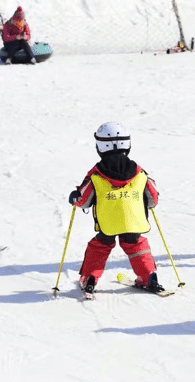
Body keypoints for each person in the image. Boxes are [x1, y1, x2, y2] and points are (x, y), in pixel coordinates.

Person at [68, 121, 164, 296]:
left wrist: (75, 198)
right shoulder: (139, 172)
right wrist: (149, 203)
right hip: (134, 220)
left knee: (100, 245)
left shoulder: (96, 174)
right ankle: (149, 276)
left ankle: (89, 278)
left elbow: (84, 199)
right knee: (135, 244)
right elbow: (153, 196)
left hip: (108, 223)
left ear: (100, 146)